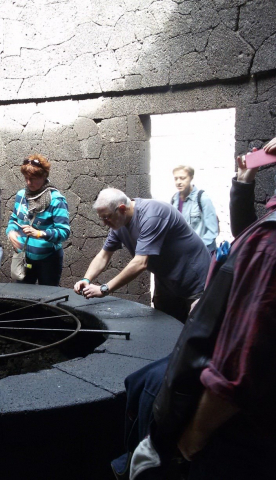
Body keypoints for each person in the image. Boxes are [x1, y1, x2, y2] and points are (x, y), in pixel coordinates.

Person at [113, 139, 276, 479]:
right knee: (148, 375)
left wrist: (190, 440)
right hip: (197, 290)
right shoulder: (262, 233)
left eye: (181, 178)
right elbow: (248, 238)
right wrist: (244, 182)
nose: (177, 184)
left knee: (155, 378)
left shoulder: (268, 245)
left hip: (200, 283)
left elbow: (240, 363)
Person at [74, 188, 210, 323]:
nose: (104, 223)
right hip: (166, 281)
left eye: (106, 217)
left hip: (193, 278)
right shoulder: (119, 223)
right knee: (166, 327)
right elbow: (104, 255)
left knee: (196, 330)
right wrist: (86, 279)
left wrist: (104, 289)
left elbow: (140, 263)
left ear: (122, 208)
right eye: (101, 218)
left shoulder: (152, 215)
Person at [6, 154, 71, 286]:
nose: (29, 183)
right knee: (22, 298)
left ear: (44, 176)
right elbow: (13, 219)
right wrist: (11, 231)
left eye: (33, 179)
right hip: (25, 257)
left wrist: (39, 233)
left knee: (47, 299)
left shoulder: (56, 200)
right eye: (26, 178)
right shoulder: (21, 195)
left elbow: (64, 232)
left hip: (49, 260)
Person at [170, 165, 219, 253]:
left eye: (182, 178)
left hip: (199, 253)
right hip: (182, 253)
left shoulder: (202, 198)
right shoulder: (174, 199)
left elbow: (212, 231)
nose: (178, 182)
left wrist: (198, 249)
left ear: (191, 178)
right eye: (176, 179)